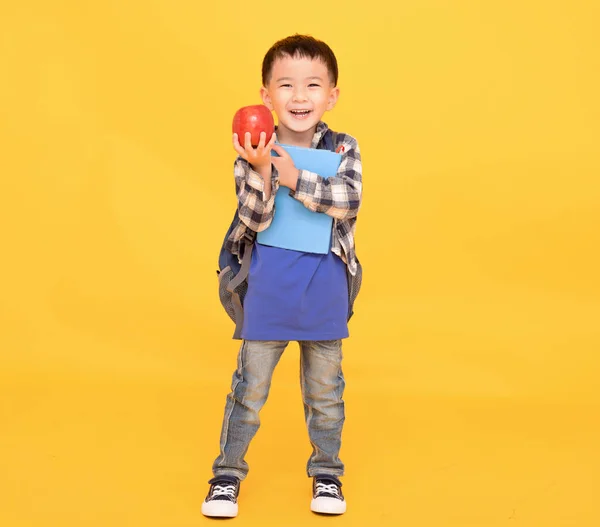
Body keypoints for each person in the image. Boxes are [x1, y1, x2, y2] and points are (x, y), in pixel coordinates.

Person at [202, 34, 363, 518]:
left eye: (312, 85)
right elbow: (252, 219)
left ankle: (328, 474)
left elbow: (348, 201)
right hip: (271, 285)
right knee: (248, 389)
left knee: (325, 392)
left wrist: (294, 178)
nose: (299, 96)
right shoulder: (254, 146)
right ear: (265, 95)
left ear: (331, 95)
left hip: (325, 284)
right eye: (286, 85)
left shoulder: (344, 146)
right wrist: (262, 171)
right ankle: (226, 475)